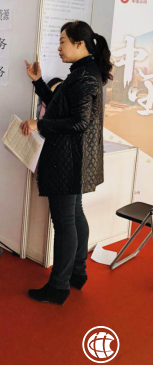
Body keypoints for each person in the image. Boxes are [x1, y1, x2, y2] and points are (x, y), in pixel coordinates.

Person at [21, 21, 113, 305]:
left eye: (62, 41)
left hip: (69, 159)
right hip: (74, 159)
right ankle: (76, 273)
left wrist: (39, 124)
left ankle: (59, 286)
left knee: (64, 222)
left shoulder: (84, 76)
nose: (59, 47)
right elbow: (61, 108)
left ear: (79, 43)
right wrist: (38, 82)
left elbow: (78, 122)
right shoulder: (84, 72)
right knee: (74, 215)